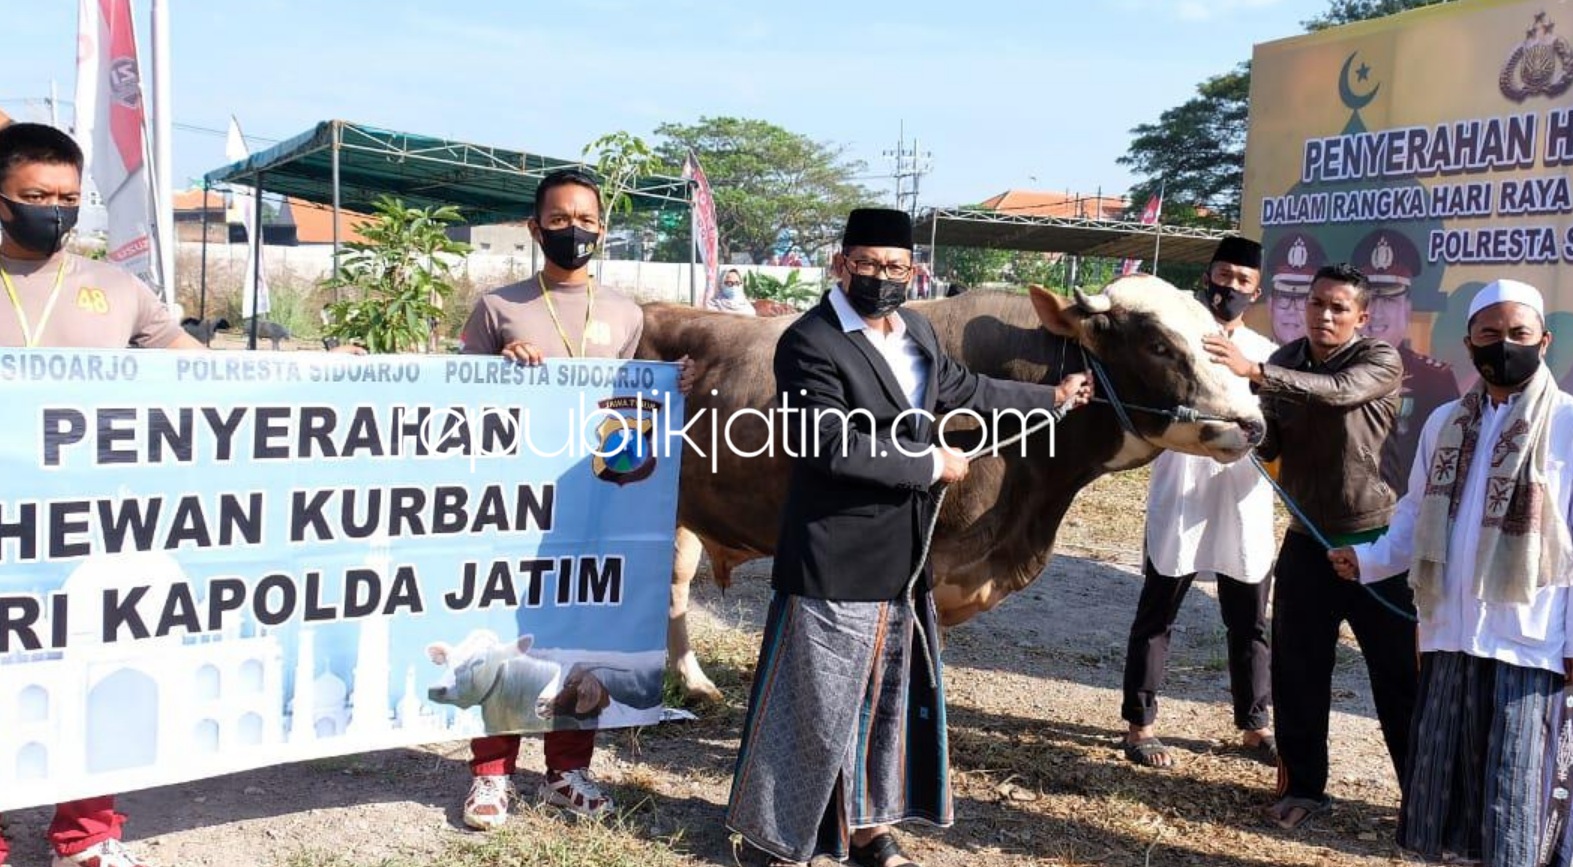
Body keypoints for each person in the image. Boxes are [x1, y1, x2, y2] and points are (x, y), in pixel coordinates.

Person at [725, 208, 1094, 867]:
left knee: (882, 704)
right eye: (865, 264)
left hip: (902, 557)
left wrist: (1050, 399)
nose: (880, 277)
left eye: (894, 266)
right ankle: (779, 841)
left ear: (912, 270)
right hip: (834, 556)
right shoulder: (810, 341)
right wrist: (931, 463)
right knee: (814, 707)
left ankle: (868, 832)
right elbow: (824, 442)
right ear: (840, 266)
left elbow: (963, 389)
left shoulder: (916, 329)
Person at [0, 122, 252, 867]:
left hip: (90, 527)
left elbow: (201, 374)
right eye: (35, 196)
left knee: (92, 669)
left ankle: (87, 833)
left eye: (69, 198)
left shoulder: (115, 286)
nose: (55, 210)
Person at [456, 168, 691, 829]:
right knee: (511, 635)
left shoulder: (625, 312)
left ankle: (567, 770)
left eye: (585, 220)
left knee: (584, 634)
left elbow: (634, 401)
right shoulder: (497, 308)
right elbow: (455, 394)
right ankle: (491, 774)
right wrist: (496, 366)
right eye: (558, 221)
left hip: (598, 499)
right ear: (534, 229)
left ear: (602, 229)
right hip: (516, 503)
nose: (573, 231)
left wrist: (675, 383)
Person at [1329, 279, 1573, 865]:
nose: (1503, 345)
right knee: (1452, 794)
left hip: (1531, 641)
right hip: (1450, 632)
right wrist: (1370, 560)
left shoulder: (1566, 423)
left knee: (1518, 798)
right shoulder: (1444, 422)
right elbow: (1416, 512)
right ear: (1469, 343)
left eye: (1517, 333)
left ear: (1543, 341)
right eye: (1489, 334)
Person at [1205, 262, 1418, 831]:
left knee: (1397, 679)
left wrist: (1257, 371)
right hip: (1307, 540)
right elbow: (1274, 434)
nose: (1324, 314)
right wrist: (1239, 421)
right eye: (1317, 303)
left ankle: (1421, 798)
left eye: (1338, 307)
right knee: (1298, 671)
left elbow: (1338, 394)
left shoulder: (1378, 361)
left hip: (1377, 542)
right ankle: (1304, 789)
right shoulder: (1286, 361)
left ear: (1362, 317)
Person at [1121, 236, 1278, 769]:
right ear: (1207, 276)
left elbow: (1274, 427)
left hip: (1243, 496)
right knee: (1158, 611)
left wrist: (1248, 371)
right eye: (1223, 275)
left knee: (1250, 620)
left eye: (1242, 281)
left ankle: (1255, 725)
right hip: (1182, 485)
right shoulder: (1177, 339)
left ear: (1256, 292)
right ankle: (1139, 724)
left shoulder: (1265, 355)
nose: (1229, 287)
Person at [1351, 228, 1460, 494]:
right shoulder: (1332, 367)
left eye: (1389, 299)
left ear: (1407, 306)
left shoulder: (1434, 378)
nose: (1376, 311)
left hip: (1404, 512)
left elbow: (1451, 457)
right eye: (1369, 299)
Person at [1263, 231, 1324, 345]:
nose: (1291, 311)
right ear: (1270, 305)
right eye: (1284, 298)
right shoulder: (1251, 356)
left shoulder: (1331, 362)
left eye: (1302, 300)